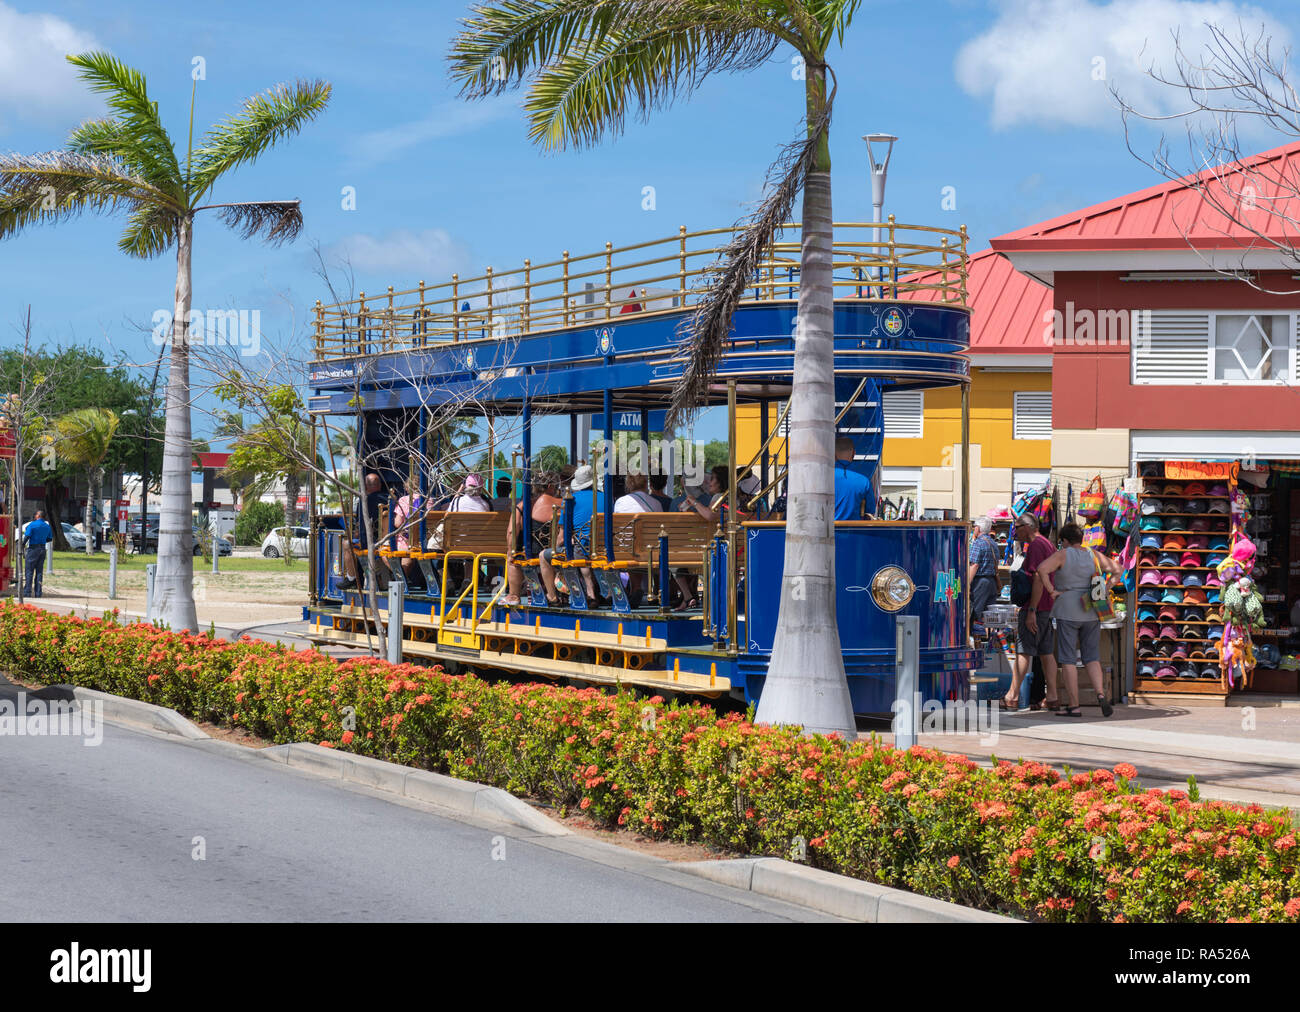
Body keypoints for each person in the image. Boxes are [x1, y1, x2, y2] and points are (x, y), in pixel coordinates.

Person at [1029, 522, 1120, 718]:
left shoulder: (1063, 554)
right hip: (1091, 609)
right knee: (1092, 657)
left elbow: (1042, 569)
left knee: (1068, 659)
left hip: (1067, 609)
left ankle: (1074, 705)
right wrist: (1105, 588)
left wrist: (1052, 591)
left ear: (1065, 541)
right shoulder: (1093, 554)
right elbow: (1118, 569)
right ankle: (1101, 695)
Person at [1006, 512, 1058, 712]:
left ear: (1026, 527)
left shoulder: (1036, 545)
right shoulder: (1047, 543)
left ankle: (1012, 696)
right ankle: (1052, 696)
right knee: (1046, 652)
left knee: (1023, 651)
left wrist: (1031, 611)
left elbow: (1037, 577)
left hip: (1035, 607)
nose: (1014, 532)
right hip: (1046, 606)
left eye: (1016, 528)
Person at [538, 464, 598, 605]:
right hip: (604, 549)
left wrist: (554, 548)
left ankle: (552, 597)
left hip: (581, 550)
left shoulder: (571, 499)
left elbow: (562, 537)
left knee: (543, 556)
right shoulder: (605, 498)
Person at [341, 473, 386, 590]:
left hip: (372, 541)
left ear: (366, 486)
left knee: (347, 544)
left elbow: (361, 526)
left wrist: (357, 535)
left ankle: (352, 579)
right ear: (380, 485)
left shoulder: (365, 501)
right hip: (388, 539)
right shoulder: (388, 498)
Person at [968, 516, 1000, 622]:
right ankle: (990, 637)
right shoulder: (994, 543)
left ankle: (975, 637)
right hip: (992, 582)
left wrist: (967, 584)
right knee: (989, 617)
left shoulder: (978, 543)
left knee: (975, 614)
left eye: (974, 527)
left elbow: (974, 565)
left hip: (980, 582)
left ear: (978, 528)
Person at [833, 436, 872, 520]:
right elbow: (870, 512)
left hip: (825, 531)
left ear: (833, 453)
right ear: (854, 453)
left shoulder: (822, 477)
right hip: (853, 531)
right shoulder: (864, 481)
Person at [22, 510, 53, 598]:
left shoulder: (32, 524)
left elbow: (27, 536)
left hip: (33, 549)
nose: (35, 516)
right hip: (42, 549)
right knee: (39, 572)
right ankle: (38, 593)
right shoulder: (47, 526)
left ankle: (27, 592)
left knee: (29, 571)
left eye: (35, 515)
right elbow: (49, 539)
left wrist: (22, 545)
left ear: (38, 516)